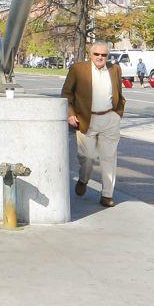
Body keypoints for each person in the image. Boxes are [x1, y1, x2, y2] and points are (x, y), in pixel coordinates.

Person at [61, 41, 127, 207]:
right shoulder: (78, 69)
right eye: (96, 54)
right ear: (90, 55)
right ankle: (83, 179)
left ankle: (107, 195)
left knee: (109, 157)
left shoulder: (115, 69)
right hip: (86, 119)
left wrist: (118, 114)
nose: (100, 57)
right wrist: (70, 114)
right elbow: (66, 93)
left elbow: (119, 92)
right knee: (87, 156)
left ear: (108, 56)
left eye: (104, 55)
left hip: (109, 119)